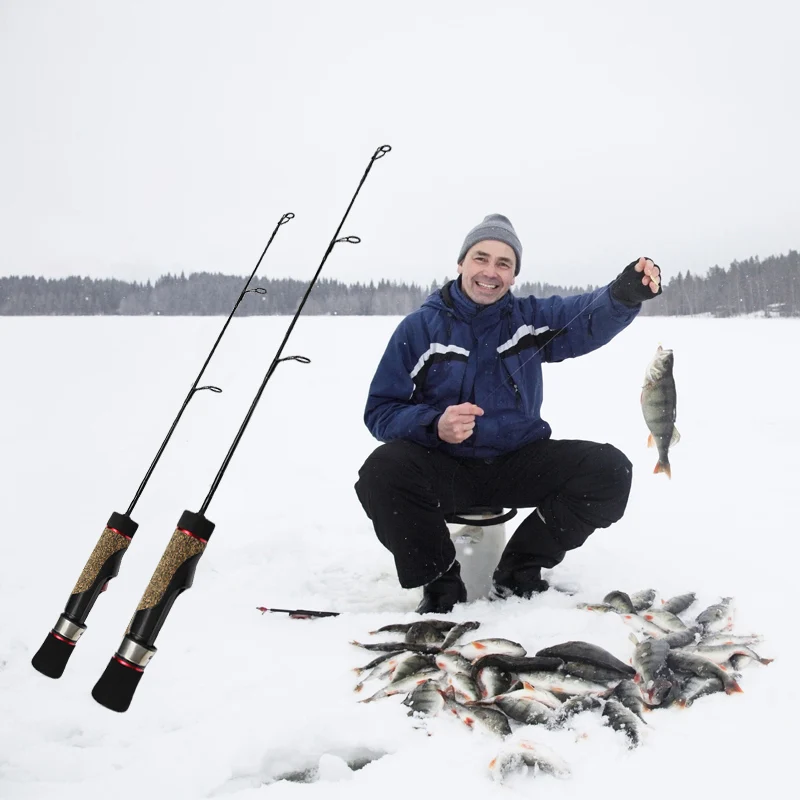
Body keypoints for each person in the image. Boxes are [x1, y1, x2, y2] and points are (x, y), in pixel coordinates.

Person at [355, 214, 662, 614]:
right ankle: (440, 585)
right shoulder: (419, 329)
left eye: (504, 263)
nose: (490, 272)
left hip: (517, 462)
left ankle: (520, 570)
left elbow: (585, 316)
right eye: (481, 258)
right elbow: (381, 410)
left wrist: (623, 295)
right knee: (383, 471)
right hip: (444, 466)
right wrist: (434, 424)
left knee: (608, 471)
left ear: (514, 275)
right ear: (462, 262)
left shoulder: (529, 319)